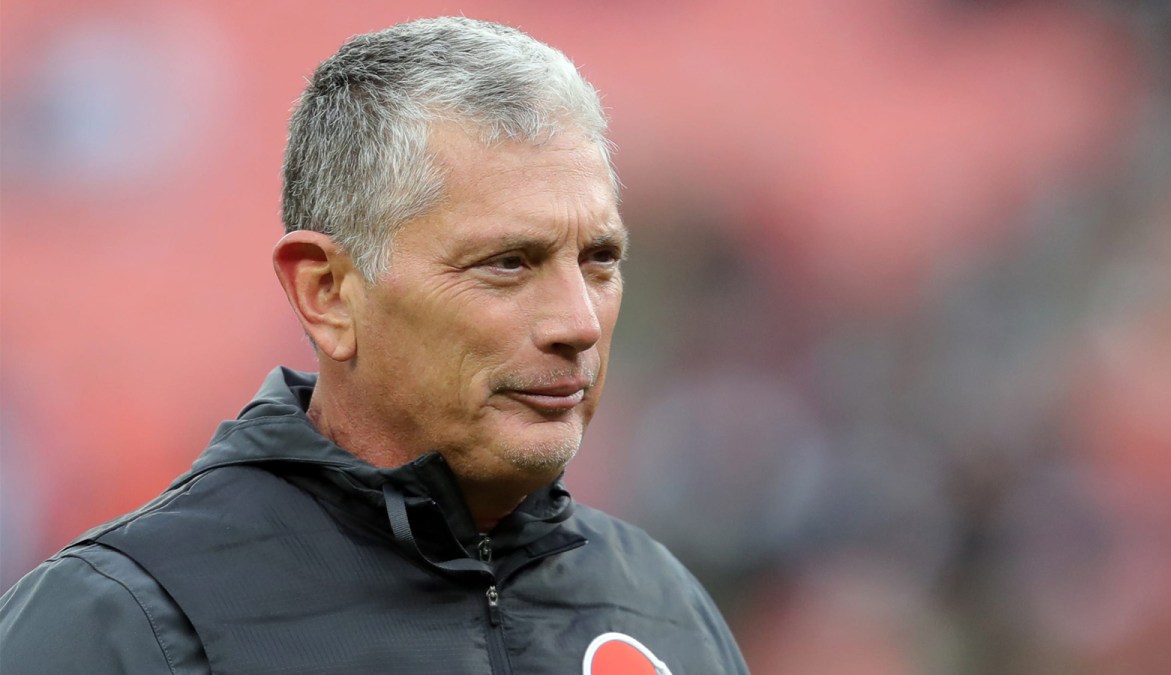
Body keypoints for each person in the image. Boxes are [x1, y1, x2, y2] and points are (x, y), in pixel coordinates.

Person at [0, 17, 749, 675]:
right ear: (327, 293)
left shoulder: (664, 608)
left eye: (599, 261)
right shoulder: (125, 620)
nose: (578, 322)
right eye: (507, 264)